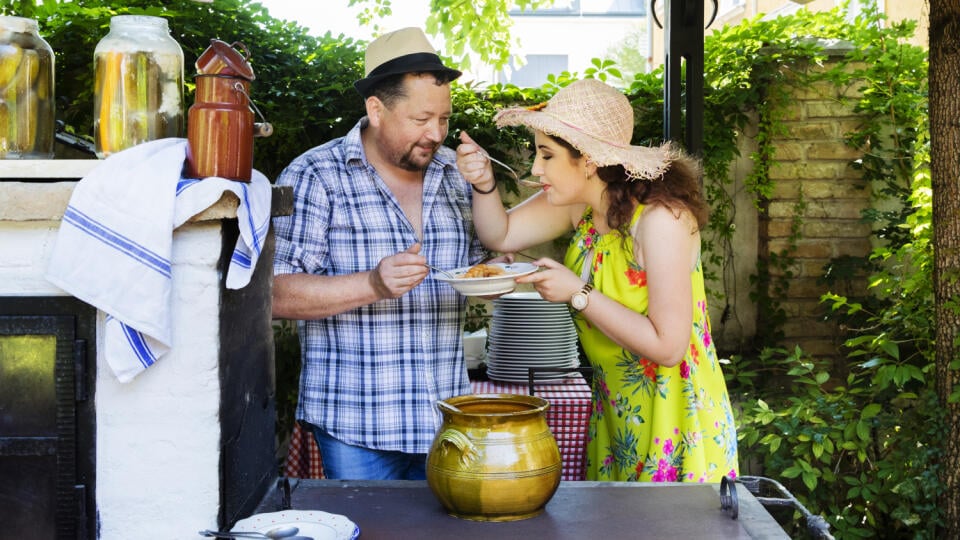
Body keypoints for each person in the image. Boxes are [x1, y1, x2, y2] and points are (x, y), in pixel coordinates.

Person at [456, 79, 739, 483]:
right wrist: (483, 183)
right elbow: (499, 235)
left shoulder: (661, 221)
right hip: (616, 417)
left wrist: (578, 293)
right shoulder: (583, 209)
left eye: (546, 155)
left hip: (677, 422)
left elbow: (669, 346)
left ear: (587, 161)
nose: (535, 169)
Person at [271, 27, 489, 480]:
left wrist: (500, 273)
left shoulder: (454, 173)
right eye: (421, 119)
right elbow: (275, 292)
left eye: (445, 119)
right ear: (376, 109)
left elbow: (479, 264)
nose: (436, 133)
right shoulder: (316, 174)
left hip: (447, 421)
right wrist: (371, 283)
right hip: (357, 429)